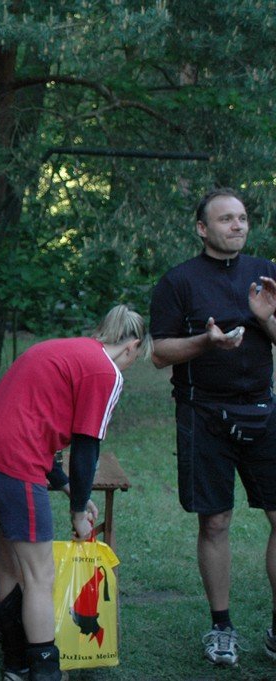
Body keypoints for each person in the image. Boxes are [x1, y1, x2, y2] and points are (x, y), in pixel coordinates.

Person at [0, 305, 151, 681]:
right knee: (40, 575)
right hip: (15, 460)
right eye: (134, 359)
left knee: (9, 564)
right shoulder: (106, 372)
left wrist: (64, 485)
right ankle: (45, 671)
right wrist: (78, 511)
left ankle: (15, 663)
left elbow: (35, 416)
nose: (128, 368)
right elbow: (87, 447)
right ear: (132, 347)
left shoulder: (64, 349)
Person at [150, 186, 276, 668]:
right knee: (216, 521)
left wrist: (265, 320)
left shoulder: (265, 272)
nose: (237, 225)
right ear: (203, 229)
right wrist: (206, 341)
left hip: (263, 410)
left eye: (242, 217)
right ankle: (221, 627)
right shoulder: (178, 281)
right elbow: (160, 352)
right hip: (203, 413)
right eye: (226, 219)